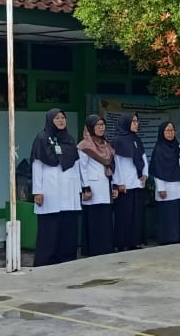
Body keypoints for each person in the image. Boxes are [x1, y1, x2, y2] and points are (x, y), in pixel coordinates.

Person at [30, 108, 81, 266]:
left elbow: (76, 165)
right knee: (50, 227)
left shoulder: (69, 139)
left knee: (67, 226)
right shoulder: (42, 138)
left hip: (68, 189)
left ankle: (66, 258)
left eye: (63, 118)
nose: (61, 120)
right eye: (57, 118)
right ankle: (46, 260)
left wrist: (79, 189)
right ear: (50, 120)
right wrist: (37, 191)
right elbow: (37, 164)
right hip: (49, 189)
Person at [76, 115, 116, 257]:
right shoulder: (84, 145)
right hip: (92, 188)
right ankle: (92, 249)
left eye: (102, 125)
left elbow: (112, 166)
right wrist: (85, 187)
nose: (101, 128)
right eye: (98, 125)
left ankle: (105, 248)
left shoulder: (107, 145)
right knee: (93, 219)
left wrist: (114, 186)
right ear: (91, 127)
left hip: (105, 186)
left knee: (105, 218)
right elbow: (82, 168)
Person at [151, 121, 180, 244]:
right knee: (168, 215)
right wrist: (160, 188)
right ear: (162, 132)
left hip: (179, 186)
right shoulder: (159, 149)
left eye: (172, 130)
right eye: (167, 131)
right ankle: (168, 238)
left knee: (179, 213)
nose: (170, 133)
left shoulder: (178, 147)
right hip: (166, 188)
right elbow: (157, 169)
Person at [111, 113, 147, 251]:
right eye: (133, 121)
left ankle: (134, 242)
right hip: (125, 184)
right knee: (124, 215)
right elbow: (116, 164)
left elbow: (143, 158)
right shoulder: (118, 140)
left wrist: (144, 175)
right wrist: (119, 182)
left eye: (137, 121)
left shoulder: (136, 139)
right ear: (126, 122)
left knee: (136, 214)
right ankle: (122, 243)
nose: (136, 124)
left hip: (137, 182)